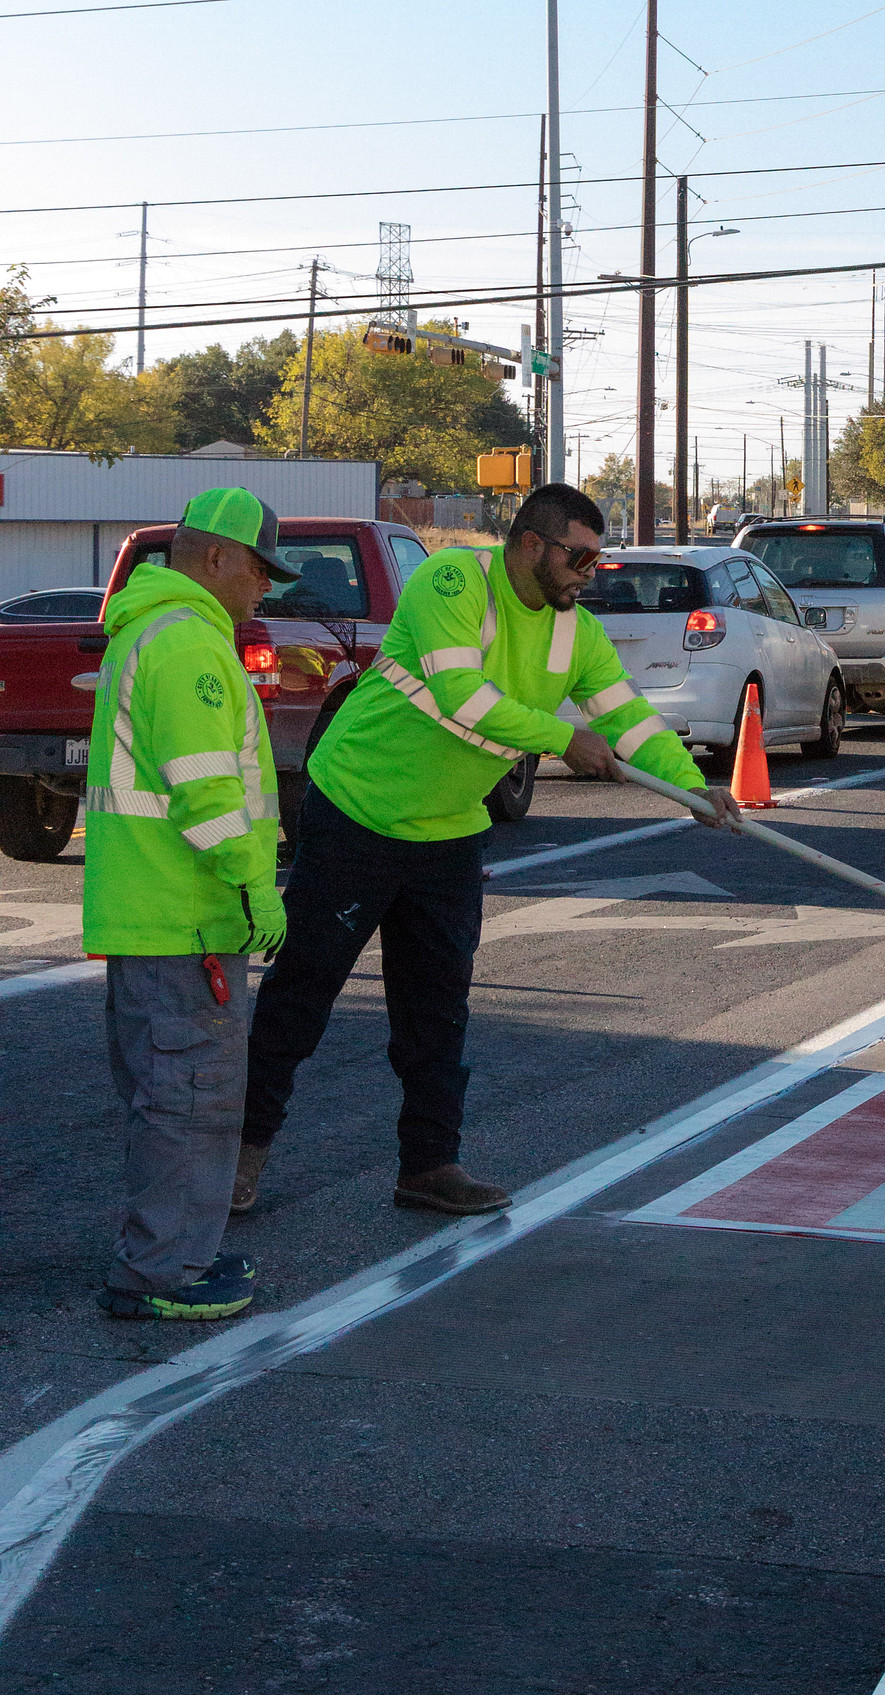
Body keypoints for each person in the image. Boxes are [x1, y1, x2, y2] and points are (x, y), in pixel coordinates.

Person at [233, 484, 746, 1217]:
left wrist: (692, 788)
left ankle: (430, 1165)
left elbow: (629, 717)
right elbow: (458, 694)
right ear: (531, 543)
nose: (588, 573)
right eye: (580, 556)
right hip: (358, 810)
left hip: (447, 831)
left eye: (597, 559)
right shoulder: (452, 583)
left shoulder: (576, 632)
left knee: (438, 1011)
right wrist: (563, 736)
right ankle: (240, 1156)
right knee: (302, 994)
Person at [84, 488, 295, 1319]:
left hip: (153, 912)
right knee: (190, 1099)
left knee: (167, 1096)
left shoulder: (155, 631)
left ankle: (164, 1255)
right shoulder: (188, 646)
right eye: (258, 569)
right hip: (186, 914)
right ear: (215, 558)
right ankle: (164, 1274)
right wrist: (255, 884)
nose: (265, 589)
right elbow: (207, 795)